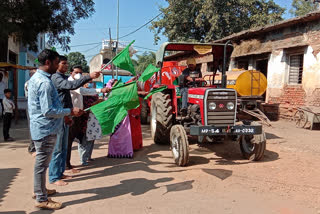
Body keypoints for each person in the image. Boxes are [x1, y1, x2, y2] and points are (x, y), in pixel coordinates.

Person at [28, 49, 82, 210]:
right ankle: (41, 198)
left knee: (42, 164)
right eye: (57, 62)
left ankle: (40, 190)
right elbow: (48, 111)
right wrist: (70, 112)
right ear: (48, 63)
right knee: (42, 164)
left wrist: (64, 115)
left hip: (44, 127)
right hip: (45, 129)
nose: (59, 65)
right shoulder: (44, 82)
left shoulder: (39, 78)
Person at [49, 56, 101, 185]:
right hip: (60, 116)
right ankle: (54, 177)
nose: (66, 66)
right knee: (58, 148)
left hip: (66, 115)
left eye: (67, 63)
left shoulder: (63, 77)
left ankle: (61, 172)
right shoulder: (56, 78)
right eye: (63, 63)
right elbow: (71, 86)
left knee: (63, 147)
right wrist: (88, 76)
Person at [67, 65, 110, 168]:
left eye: (80, 73)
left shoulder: (81, 86)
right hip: (73, 115)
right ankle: (68, 165)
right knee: (75, 140)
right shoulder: (71, 83)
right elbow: (83, 92)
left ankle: (75, 161)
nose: (78, 75)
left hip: (80, 116)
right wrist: (100, 91)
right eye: (76, 72)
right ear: (71, 73)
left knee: (86, 139)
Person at [25, 69, 36, 156]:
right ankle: (32, 148)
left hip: (35, 106)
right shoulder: (29, 83)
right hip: (31, 106)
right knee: (32, 126)